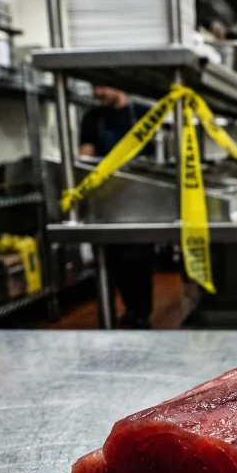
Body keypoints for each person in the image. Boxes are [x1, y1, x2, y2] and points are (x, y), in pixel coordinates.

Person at [79, 86, 155, 329]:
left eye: (102, 87)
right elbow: (85, 158)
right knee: (114, 260)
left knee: (139, 258)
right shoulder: (92, 117)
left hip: (141, 198)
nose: (98, 92)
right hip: (107, 198)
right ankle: (130, 308)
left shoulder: (144, 114)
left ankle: (142, 311)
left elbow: (157, 158)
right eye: (94, 87)